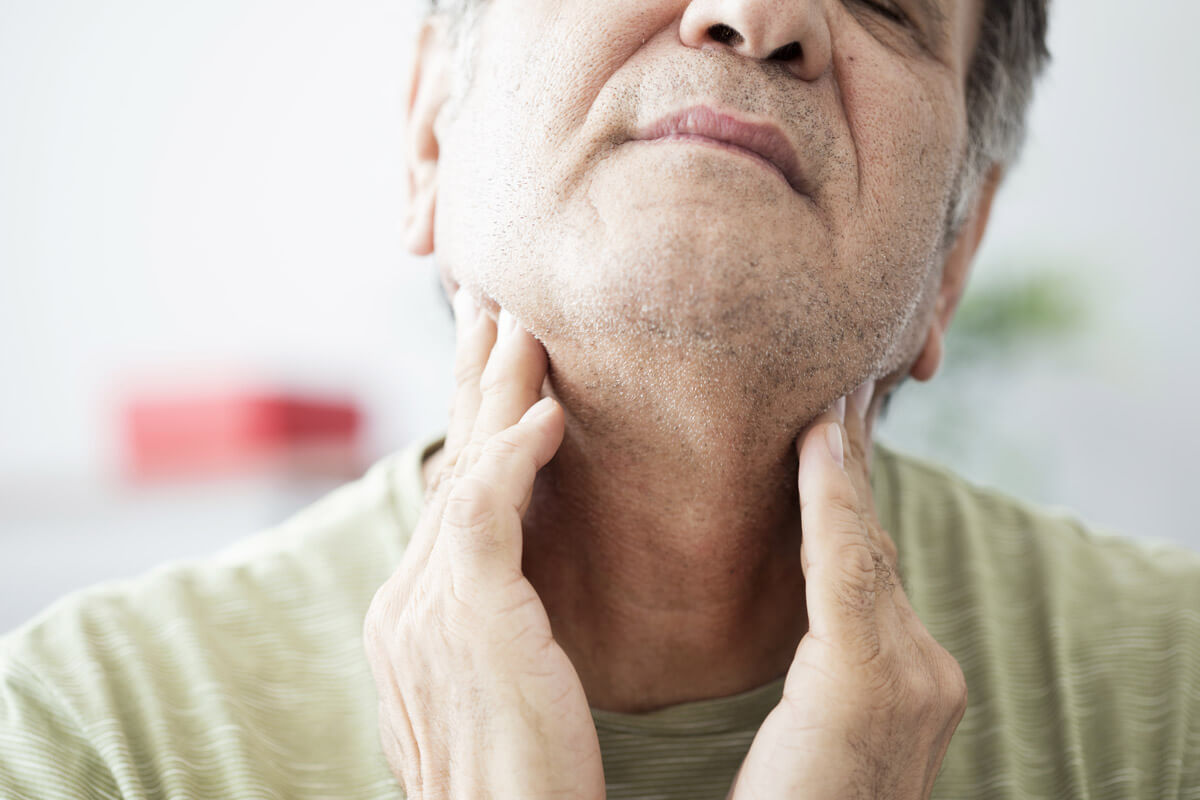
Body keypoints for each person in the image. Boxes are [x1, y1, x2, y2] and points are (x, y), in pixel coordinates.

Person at [2, 0, 1198, 797]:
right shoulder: (83, 735)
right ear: (430, 131)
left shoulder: (1176, 702)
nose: (762, 12)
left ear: (955, 257)